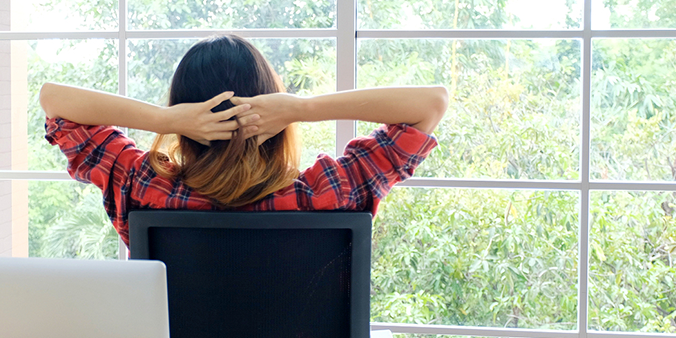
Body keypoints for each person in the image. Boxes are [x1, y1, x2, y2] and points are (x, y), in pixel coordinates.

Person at [41, 34, 448, 246]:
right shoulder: (329, 193)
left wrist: (165, 119)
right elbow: (430, 104)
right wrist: (302, 107)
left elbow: (54, 100)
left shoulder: (142, 187)